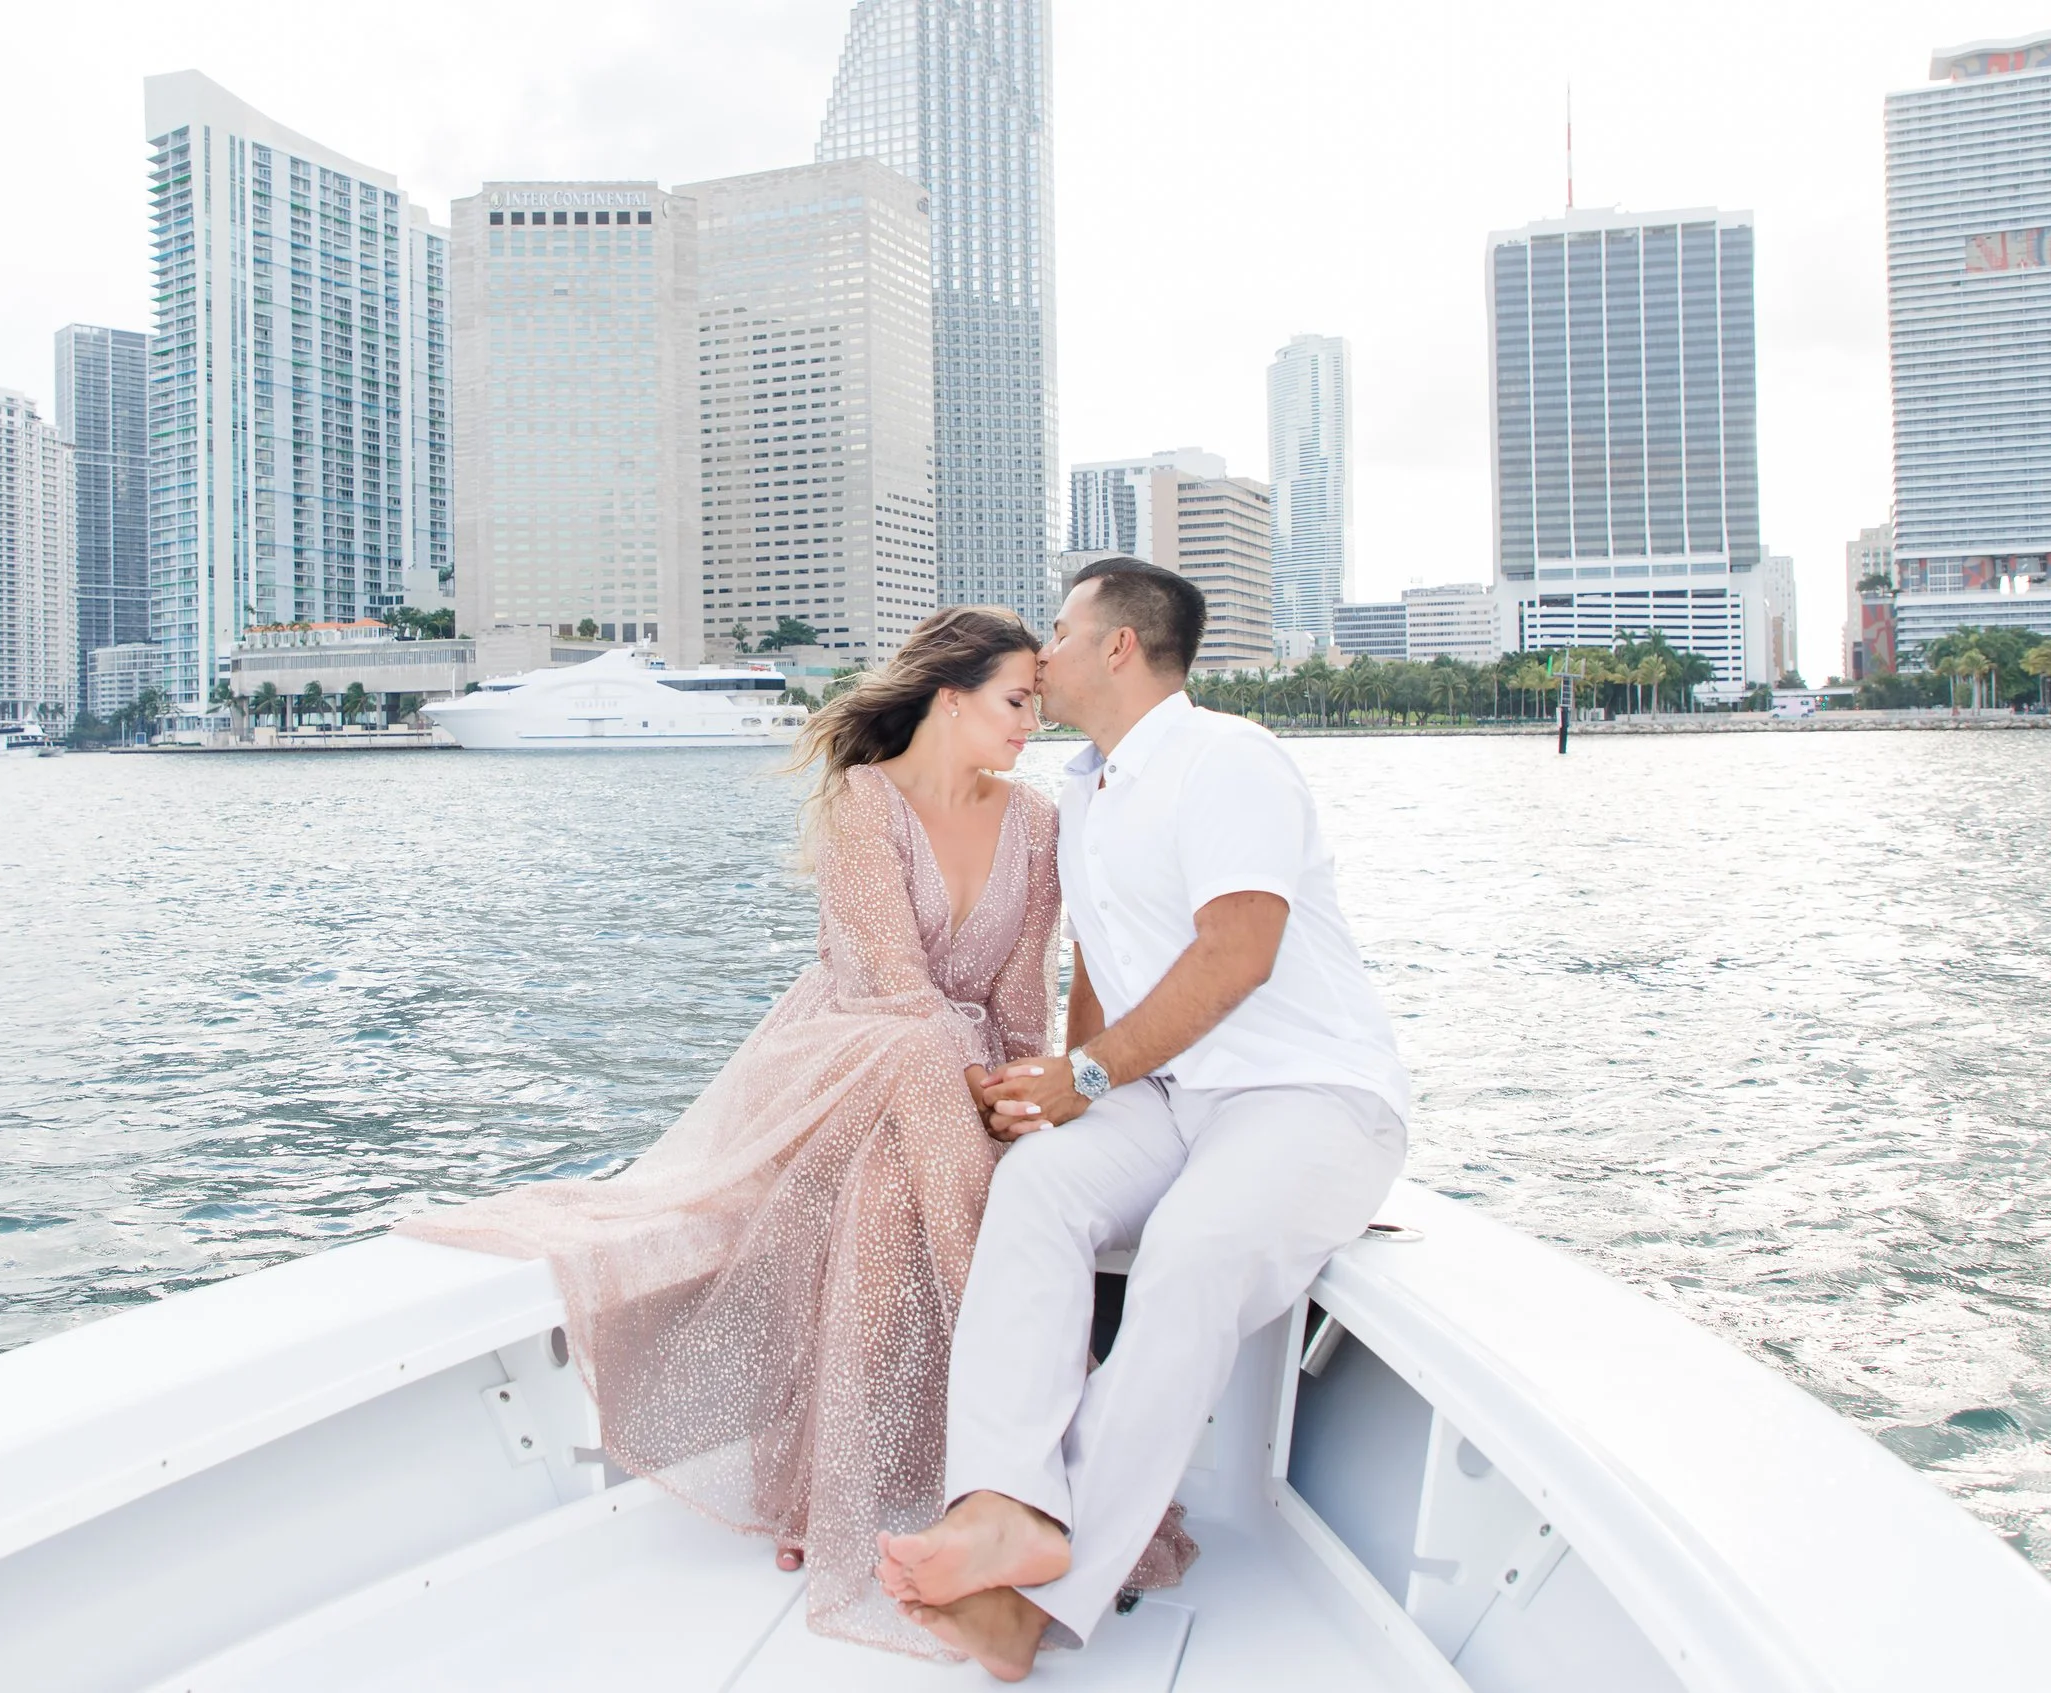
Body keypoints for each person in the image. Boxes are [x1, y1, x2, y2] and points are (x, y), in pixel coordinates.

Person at [395, 606, 1187, 1657]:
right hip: (846, 1054)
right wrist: (979, 1103)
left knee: (888, 1194)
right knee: (922, 1071)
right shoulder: (866, 800)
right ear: (949, 697)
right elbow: (898, 994)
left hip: (948, 1082)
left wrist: (1010, 1100)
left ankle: (859, 1497)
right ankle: (1040, 1483)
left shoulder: (1037, 823)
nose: (1027, 724)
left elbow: (1014, 1004)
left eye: (1036, 704)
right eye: (1012, 701)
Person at [875, 558, 1412, 1679]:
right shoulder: (1084, 788)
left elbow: (1239, 951)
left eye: (1062, 631)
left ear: (1119, 644)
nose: (1043, 652)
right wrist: (1066, 1078)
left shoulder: (1228, 759)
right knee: (1035, 1188)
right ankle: (1004, 1501)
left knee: (1191, 1252)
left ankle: (1039, 1604)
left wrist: (1090, 1077)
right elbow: (1103, 973)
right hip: (1171, 1095)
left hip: (1308, 1094)